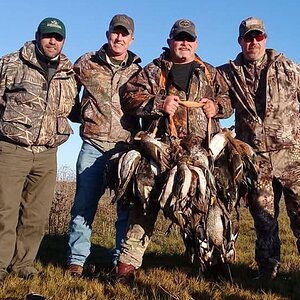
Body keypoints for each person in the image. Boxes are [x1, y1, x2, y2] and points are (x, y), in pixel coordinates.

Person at [115, 18, 232, 282]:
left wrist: (217, 107)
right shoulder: (154, 70)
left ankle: (212, 264)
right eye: (179, 38)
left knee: (203, 207)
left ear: (196, 44)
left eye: (189, 39)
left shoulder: (210, 72)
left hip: (200, 153)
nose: (184, 43)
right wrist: (158, 103)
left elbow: (228, 101)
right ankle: (127, 266)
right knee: (144, 205)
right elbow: (128, 97)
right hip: (160, 149)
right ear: (170, 42)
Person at [218, 16, 300, 279]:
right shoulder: (228, 73)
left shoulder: (289, 68)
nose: (253, 42)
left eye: (258, 37)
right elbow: (219, 101)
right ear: (240, 41)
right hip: (255, 161)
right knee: (264, 220)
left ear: (265, 38)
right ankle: (268, 271)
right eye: (248, 38)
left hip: (293, 159)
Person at [0, 17, 77, 281]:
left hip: (47, 152)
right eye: (47, 36)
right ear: (37, 36)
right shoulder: (11, 63)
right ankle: (0, 264)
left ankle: (23, 265)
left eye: (57, 37)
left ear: (63, 41)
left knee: (36, 214)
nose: (52, 41)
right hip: (12, 149)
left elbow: (72, 110)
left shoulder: (69, 72)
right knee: (4, 210)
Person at [67, 14, 141, 276]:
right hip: (93, 145)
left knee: (125, 209)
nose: (119, 38)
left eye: (124, 34)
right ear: (108, 33)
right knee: (84, 205)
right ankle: (76, 261)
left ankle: (119, 262)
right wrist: (80, 115)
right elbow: (66, 91)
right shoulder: (87, 62)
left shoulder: (138, 71)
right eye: (115, 32)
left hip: (124, 150)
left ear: (132, 38)